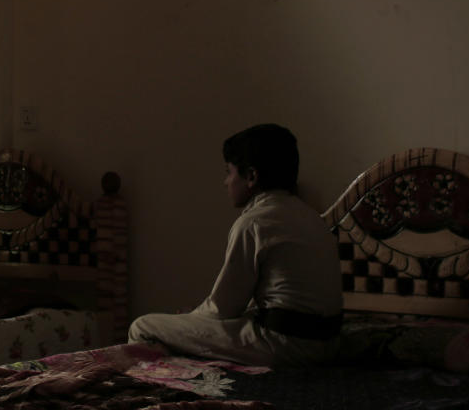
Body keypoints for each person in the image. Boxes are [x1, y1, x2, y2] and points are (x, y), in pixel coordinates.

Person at [128, 124, 342, 366]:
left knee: (143, 326)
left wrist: (191, 318)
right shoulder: (312, 217)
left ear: (251, 176)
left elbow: (223, 308)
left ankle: (162, 386)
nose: (225, 182)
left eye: (229, 172)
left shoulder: (254, 223)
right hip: (328, 344)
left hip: (284, 344)